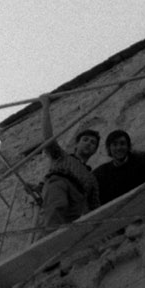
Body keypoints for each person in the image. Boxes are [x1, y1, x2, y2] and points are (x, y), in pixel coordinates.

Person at [38, 94, 101, 230]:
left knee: (70, 229)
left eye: (93, 143)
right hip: (60, 183)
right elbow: (48, 138)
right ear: (76, 145)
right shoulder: (62, 156)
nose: (89, 144)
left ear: (95, 150)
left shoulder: (91, 178)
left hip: (78, 198)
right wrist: (45, 108)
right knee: (56, 210)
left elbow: (95, 207)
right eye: (85, 140)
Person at [93, 129, 145, 205]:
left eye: (122, 144)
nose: (119, 148)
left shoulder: (142, 162)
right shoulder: (101, 174)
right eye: (115, 145)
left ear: (128, 146)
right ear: (109, 148)